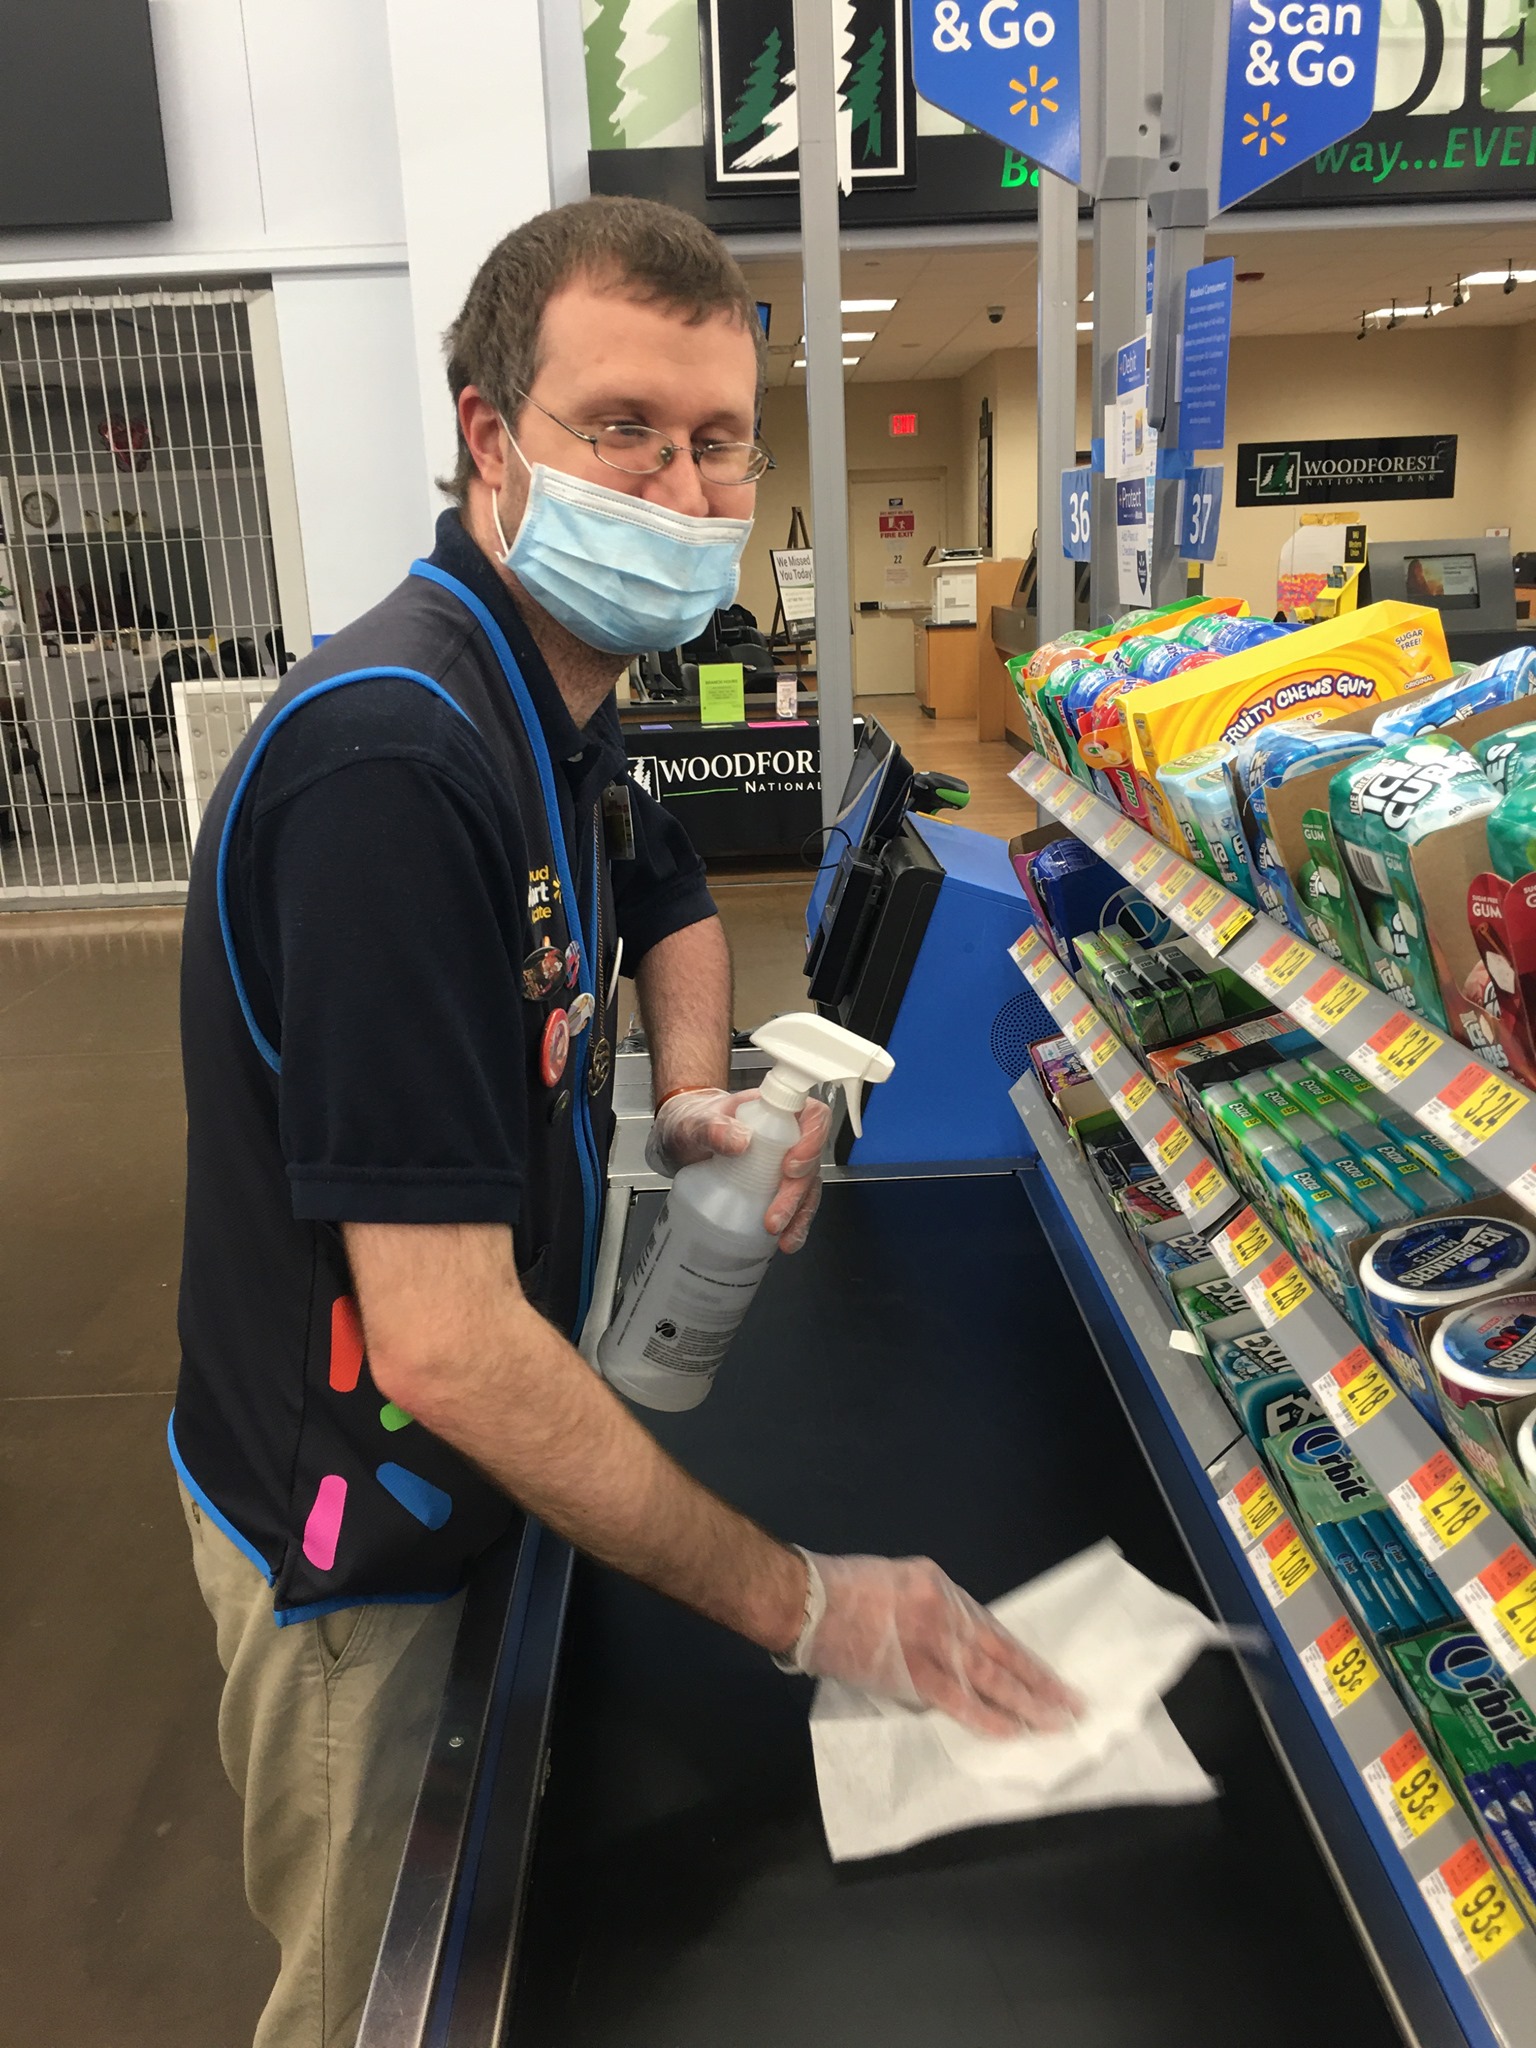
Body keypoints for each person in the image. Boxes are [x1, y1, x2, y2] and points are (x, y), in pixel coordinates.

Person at [171, 195, 1076, 2048]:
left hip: (479, 1474)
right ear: (491, 438)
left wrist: (696, 1092)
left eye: (716, 441)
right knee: (377, 2004)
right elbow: (439, 1342)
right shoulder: (392, 764)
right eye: (621, 431)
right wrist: (807, 1606)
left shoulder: (555, 697)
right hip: (361, 1545)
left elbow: (663, 890)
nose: (680, 489)